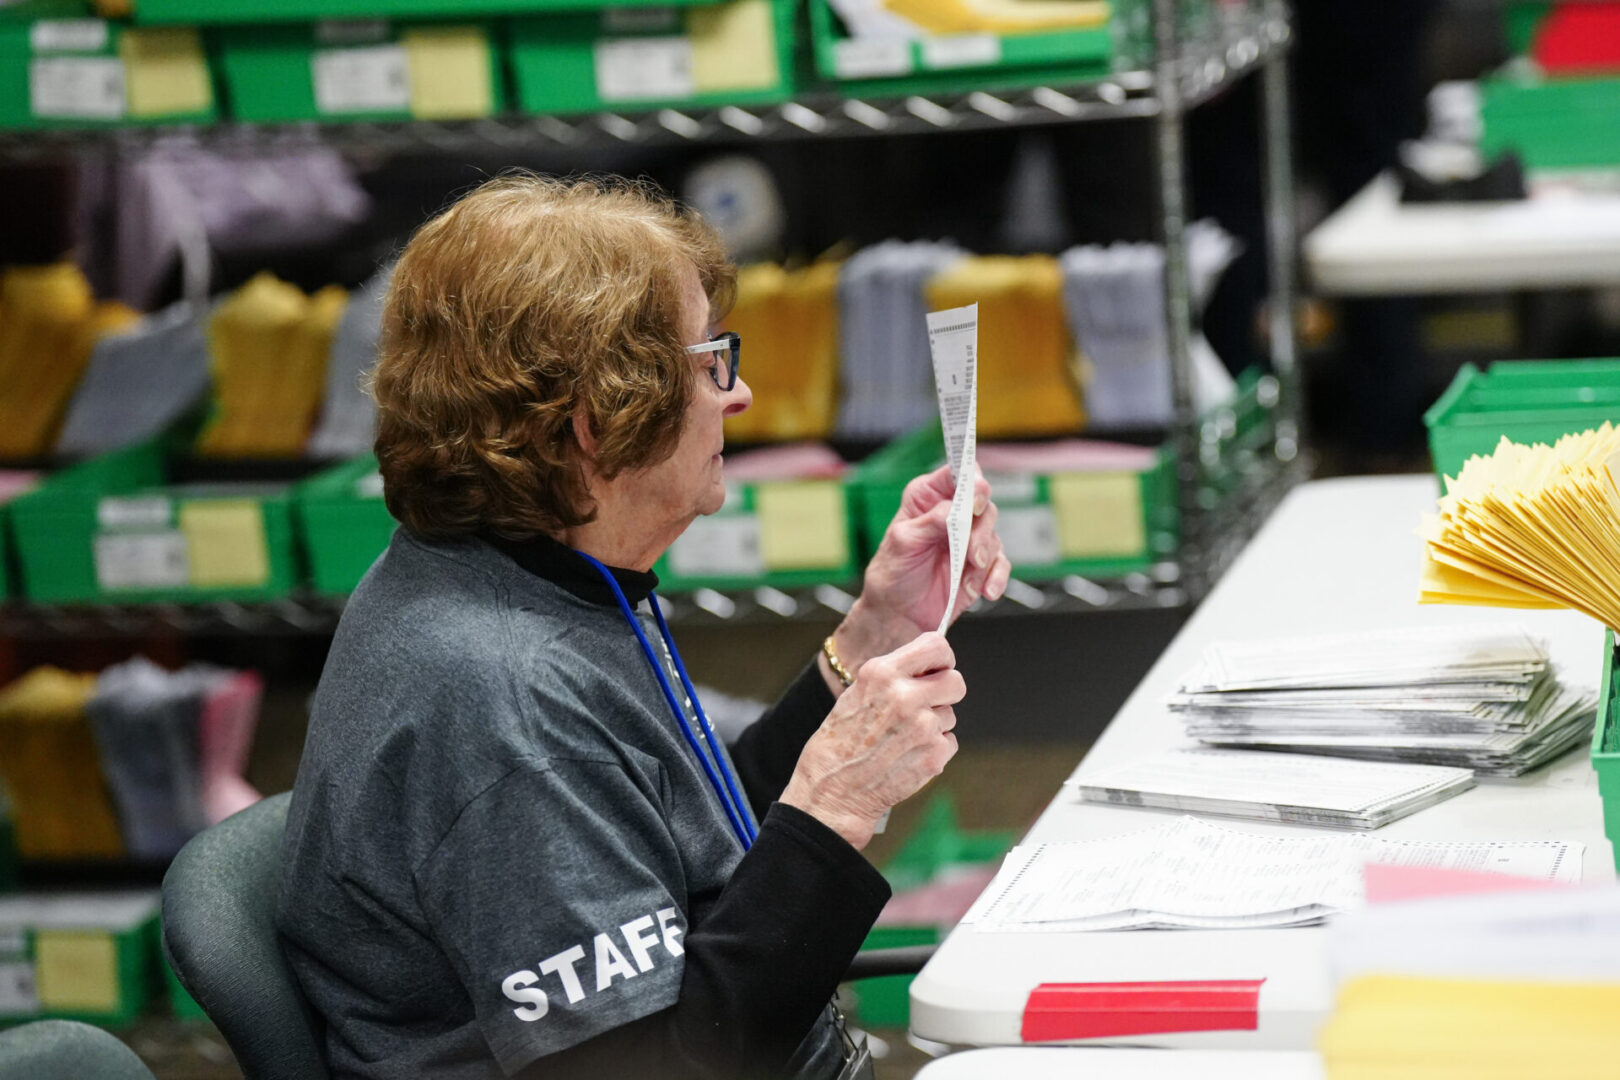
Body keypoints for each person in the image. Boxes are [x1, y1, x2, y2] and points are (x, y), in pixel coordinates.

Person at [276, 173, 1011, 1080]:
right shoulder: (505, 703)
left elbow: (682, 848)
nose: (739, 395)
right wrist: (836, 810)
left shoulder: (511, 576)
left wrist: (873, 635)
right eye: (711, 363)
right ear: (597, 420)